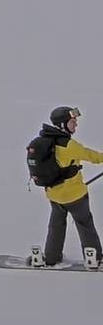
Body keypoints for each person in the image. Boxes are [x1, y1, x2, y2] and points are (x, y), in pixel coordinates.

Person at [30, 106, 103, 267]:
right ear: (62, 124)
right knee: (84, 223)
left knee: (56, 225)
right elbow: (93, 156)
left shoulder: (45, 141)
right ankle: (94, 257)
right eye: (72, 122)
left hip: (54, 195)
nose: (75, 125)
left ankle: (51, 257)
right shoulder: (69, 145)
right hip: (75, 195)